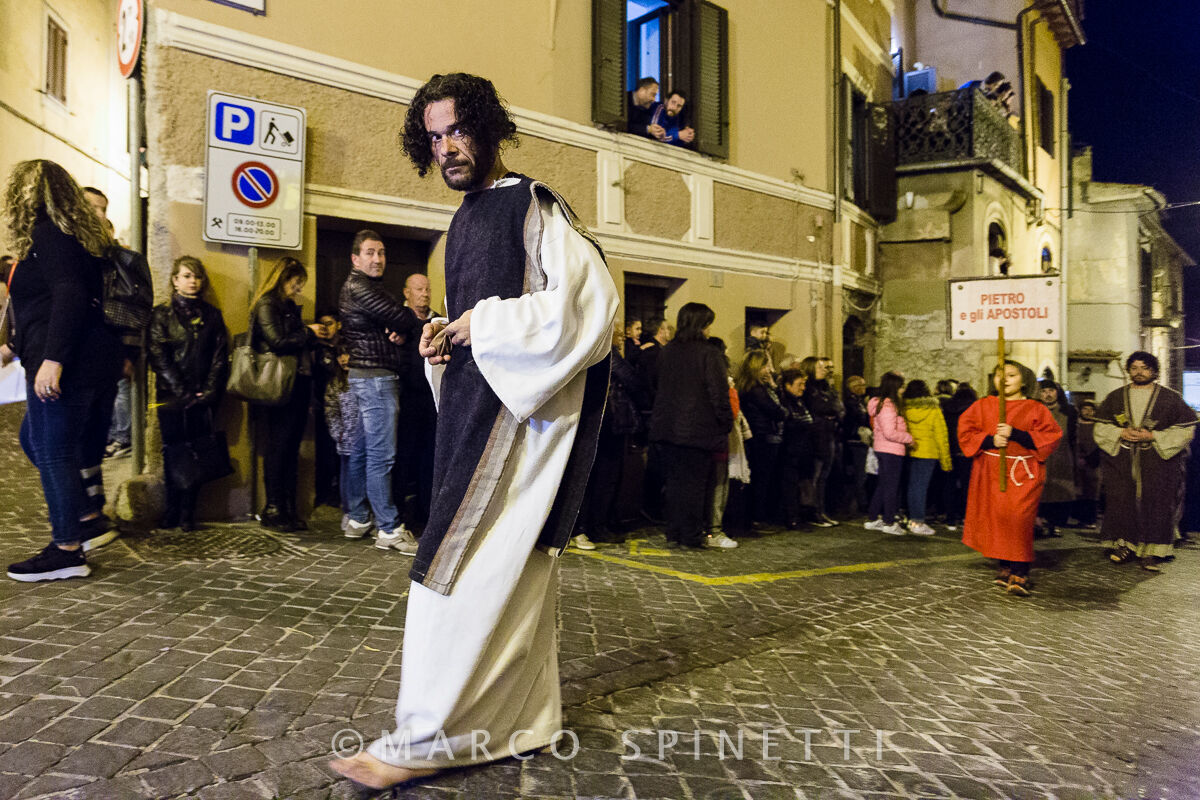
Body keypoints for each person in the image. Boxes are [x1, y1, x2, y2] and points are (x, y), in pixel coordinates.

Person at [329, 72, 618, 790]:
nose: (447, 148)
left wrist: (479, 324)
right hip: (477, 413)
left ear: (487, 128)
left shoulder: (531, 204)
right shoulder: (466, 218)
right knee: (507, 577)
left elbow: (592, 303)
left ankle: (423, 740)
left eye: (457, 130)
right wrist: (443, 337)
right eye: (433, 137)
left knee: (455, 574)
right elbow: (482, 320)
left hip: (518, 423)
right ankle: (523, 723)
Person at [3, 160, 122, 581]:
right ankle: (85, 518)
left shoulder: (50, 233)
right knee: (36, 441)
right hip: (80, 357)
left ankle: (67, 548)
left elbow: (68, 295)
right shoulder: (73, 236)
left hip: (66, 361)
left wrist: (53, 359)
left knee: (52, 450)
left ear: (28, 192)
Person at [337, 231, 423, 552]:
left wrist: (397, 327)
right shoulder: (359, 287)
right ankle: (388, 528)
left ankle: (359, 517)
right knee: (381, 455)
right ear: (355, 258)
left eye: (382, 253)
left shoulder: (367, 287)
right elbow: (406, 317)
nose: (378, 259)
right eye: (371, 253)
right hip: (375, 379)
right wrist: (401, 324)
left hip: (368, 376)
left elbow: (398, 321)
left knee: (361, 451)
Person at [958, 361, 1062, 595]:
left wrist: (1017, 434)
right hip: (990, 470)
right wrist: (989, 440)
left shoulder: (1035, 408)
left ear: (1023, 380)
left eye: (1011, 375)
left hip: (1021, 472)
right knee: (998, 518)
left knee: (1018, 519)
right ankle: (1004, 564)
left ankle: (1020, 570)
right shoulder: (983, 405)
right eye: (999, 375)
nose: (1004, 380)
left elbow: (1051, 436)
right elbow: (966, 431)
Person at [1094, 352, 1198, 572]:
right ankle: (1125, 545)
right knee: (1122, 502)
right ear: (1128, 371)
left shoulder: (1170, 398)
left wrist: (1153, 437)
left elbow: (1185, 429)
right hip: (1123, 463)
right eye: (1134, 368)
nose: (1139, 372)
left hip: (1158, 463)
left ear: (1154, 371)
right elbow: (1100, 428)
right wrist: (1121, 432)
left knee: (1157, 503)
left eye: (1144, 368)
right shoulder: (1115, 397)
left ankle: (1154, 550)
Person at [147, 256, 229, 531]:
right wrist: (182, 390)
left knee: (198, 452)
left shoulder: (211, 315)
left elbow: (220, 355)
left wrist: (208, 390)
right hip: (171, 395)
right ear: (174, 280)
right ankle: (172, 509)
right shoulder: (162, 314)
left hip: (205, 395)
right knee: (174, 451)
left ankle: (188, 513)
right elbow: (158, 354)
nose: (193, 281)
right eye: (186, 276)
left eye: (197, 277)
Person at [649, 303, 733, 549]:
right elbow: (718, 393)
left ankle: (674, 531)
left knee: (675, 484)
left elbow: (657, 386)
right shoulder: (708, 353)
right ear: (702, 325)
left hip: (667, 428)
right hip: (697, 430)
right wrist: (725, 421)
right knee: (695, 486)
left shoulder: (667, 351)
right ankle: (690, 535)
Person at [248, 257, 323, 533]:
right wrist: (308, 332)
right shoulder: (268, 304)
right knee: (278, 448)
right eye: (296, 282)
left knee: (290, 449)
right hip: (277, 386)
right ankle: (273, 507)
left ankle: (287, 507)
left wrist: (311, 334)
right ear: (284, 277)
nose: (299, 287)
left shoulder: (288, 305)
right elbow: (278, 341)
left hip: (297, 384)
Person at [397, 272, 438, 528]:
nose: (424, 294)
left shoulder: (437, 321)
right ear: (407, 293)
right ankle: (400, 514)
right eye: (419, 289)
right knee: (403, 456)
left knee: (429, 456)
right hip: (406, 397)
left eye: (427, 289)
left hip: (431, 399)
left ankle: (425, 514)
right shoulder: (400, 321)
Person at [737, 349, 785, 528]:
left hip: (760, 436)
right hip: (762, 437)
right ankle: (756, 516)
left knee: (761, 477)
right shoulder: (755, 389)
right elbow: (777, 410)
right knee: (761, 478)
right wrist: (774, 388)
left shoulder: (751, 387)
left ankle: (757, 514)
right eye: (766, 365)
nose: (769, 369)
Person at [901, 379, 951, 536]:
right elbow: (941, 436)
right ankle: (917, 521)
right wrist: (946, 461)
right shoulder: (934, 409)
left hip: (909, 451)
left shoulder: (903, 408)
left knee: (910, 487)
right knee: (920, 488)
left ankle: (910, 517)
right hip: (928, 453)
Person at [865, 372, 912, 536]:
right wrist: (908, 438)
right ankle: (889, 521)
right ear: (894, 387)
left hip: (884, 449)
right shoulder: (888, 406)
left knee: (883, 484)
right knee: (891, 486)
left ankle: (873, 517)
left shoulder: (882, 405)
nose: (903, 389)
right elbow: (890, 432)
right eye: (901, 386)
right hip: (891, 450)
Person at [801, 356, 842, 527]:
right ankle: (813, 511)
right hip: (815, 437)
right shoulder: (808, 389)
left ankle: (821, 510)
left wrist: (833, 411)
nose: (824, 370)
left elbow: (837, 406)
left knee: (824, 475)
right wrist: (829, 411)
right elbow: (820, 407)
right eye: (819, 367)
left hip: (829, 434)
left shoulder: (826, 387)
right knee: (815, 476)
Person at [1035, 379, 1076, 537]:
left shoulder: (1069, 411)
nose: (1048, 394)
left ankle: (1054, 523)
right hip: (1040, 457)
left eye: (1051, 391)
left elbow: (1073, 437)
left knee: (1060, 492)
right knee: (1039, 491)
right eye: (1044, 391)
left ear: (1057, 392)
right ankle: (1038, 521)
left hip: (1062, 457)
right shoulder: (1035, 410)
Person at [778, 368, 815, 529]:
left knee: (800, 484)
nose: (803, 388)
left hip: (802, 450)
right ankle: (791, 518)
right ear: (787, 385)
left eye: (804, 384)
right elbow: (791, 423)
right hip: (790, 450)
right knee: (789, 485)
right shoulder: (785, 402)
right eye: (799, 384)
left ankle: (800, 515)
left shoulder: (799, 401)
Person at [939, 382, 978, 530]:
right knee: (968, 486)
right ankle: (965, 517)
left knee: (949, 484)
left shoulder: (947, 407)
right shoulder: (975, 407)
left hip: (950, 450)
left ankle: (950, 519)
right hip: (967, 451)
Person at [841, 375, 872, 515]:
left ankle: (857, 503)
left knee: (860, 474)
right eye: (862, 385)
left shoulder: (859, 402)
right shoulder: (851, 403)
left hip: (858, 441)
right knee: (860, 474)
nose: (864, 388)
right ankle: (861, 504)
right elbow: (851, 422)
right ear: (854, 388)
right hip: (855, 442)